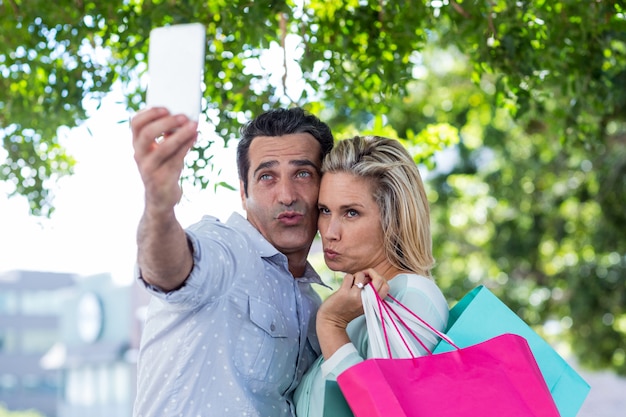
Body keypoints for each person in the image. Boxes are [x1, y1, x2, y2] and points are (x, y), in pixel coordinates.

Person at [130, 106, 334, 417]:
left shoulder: (313, 305)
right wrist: (159, 205)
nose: (286, 195)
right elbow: (170, 272)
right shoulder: (227, 248)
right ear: (243, 191)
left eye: (303, 173)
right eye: (267, 176)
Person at [293, 135, 449, 417]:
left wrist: (330, 325)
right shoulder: (358, 303)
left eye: (351, 213)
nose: (329, 231)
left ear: (394, 220)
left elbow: (388, 412)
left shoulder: (410, 297)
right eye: (325, 210)